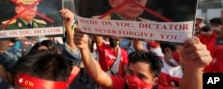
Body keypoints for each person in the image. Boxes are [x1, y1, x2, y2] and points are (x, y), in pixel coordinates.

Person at [73, 27, 212, 89]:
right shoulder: (123, 85)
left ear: (155, 80)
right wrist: (84, 48)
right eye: (131, 73)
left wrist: (194, 68)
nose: (133, 79)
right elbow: (99, 77)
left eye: (141, 76)